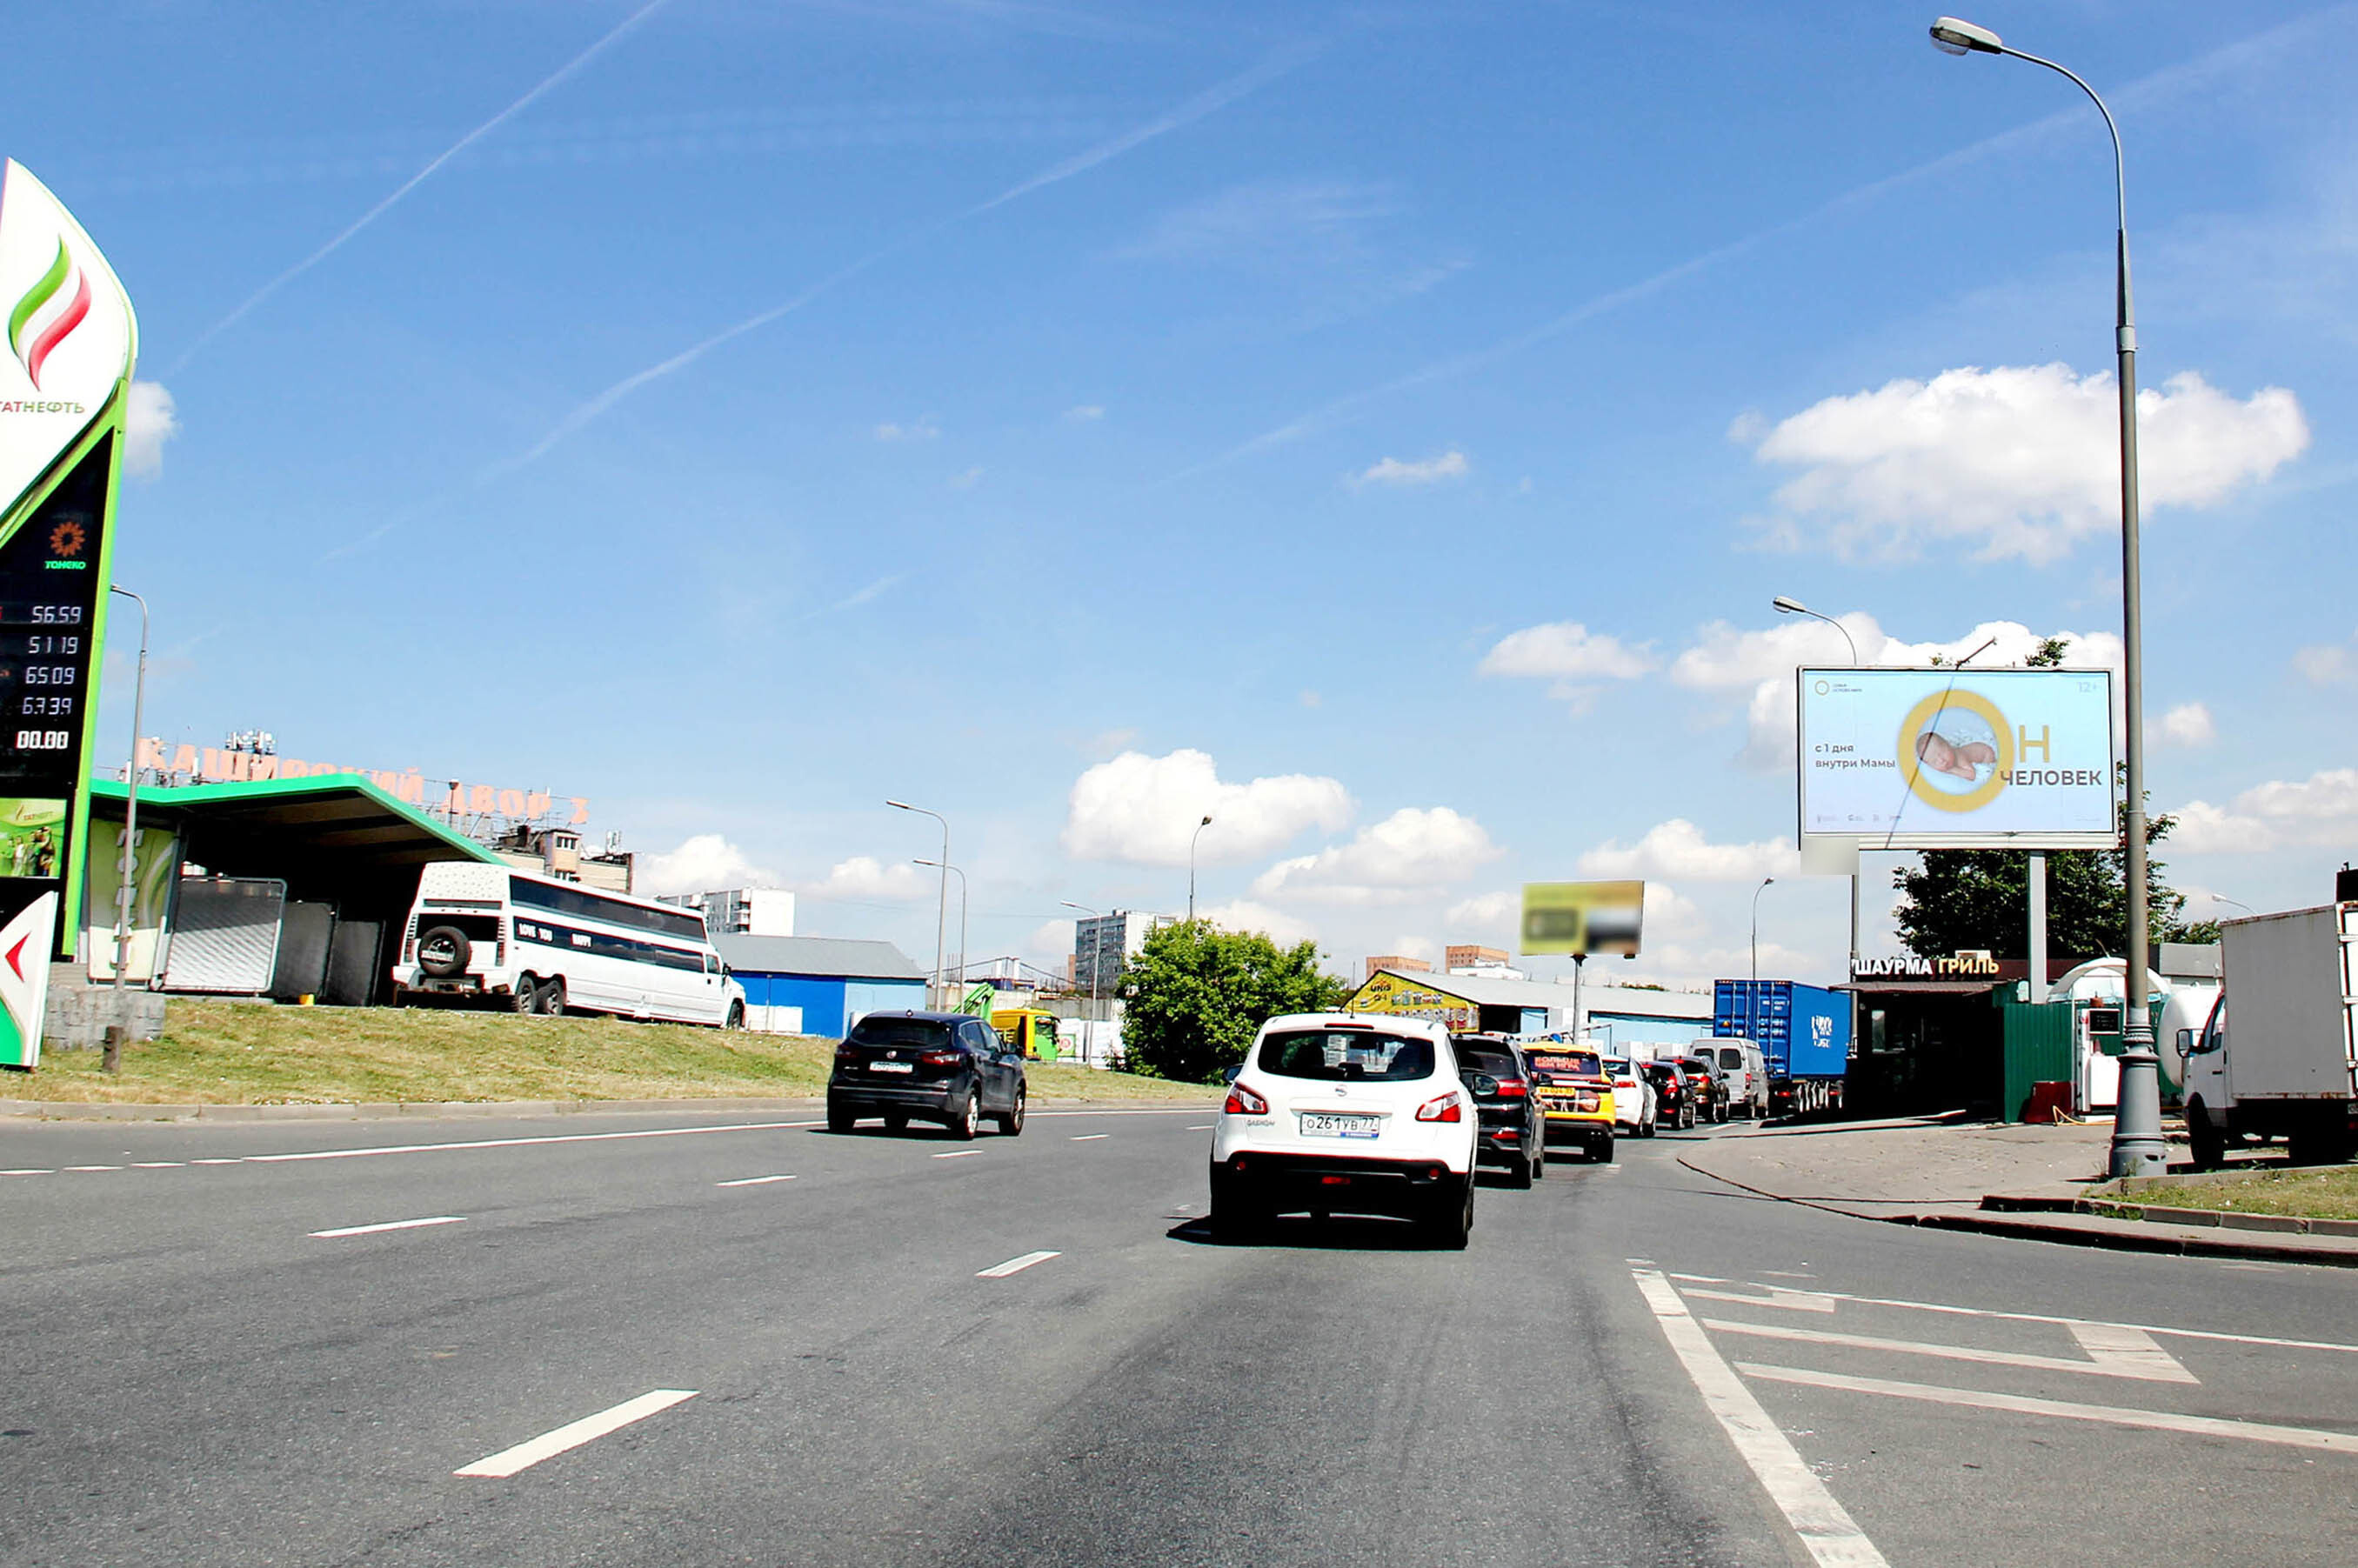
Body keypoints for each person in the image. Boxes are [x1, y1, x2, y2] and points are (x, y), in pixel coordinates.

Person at [1915, 728, 1995, 781]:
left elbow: (1971, 774)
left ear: (1948, 745)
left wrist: (1952, 770)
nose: (1942, 760)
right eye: (1935, 761)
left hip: (1986, 753)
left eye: (1942, 753)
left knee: (1990, 769)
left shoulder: (1959, 757)